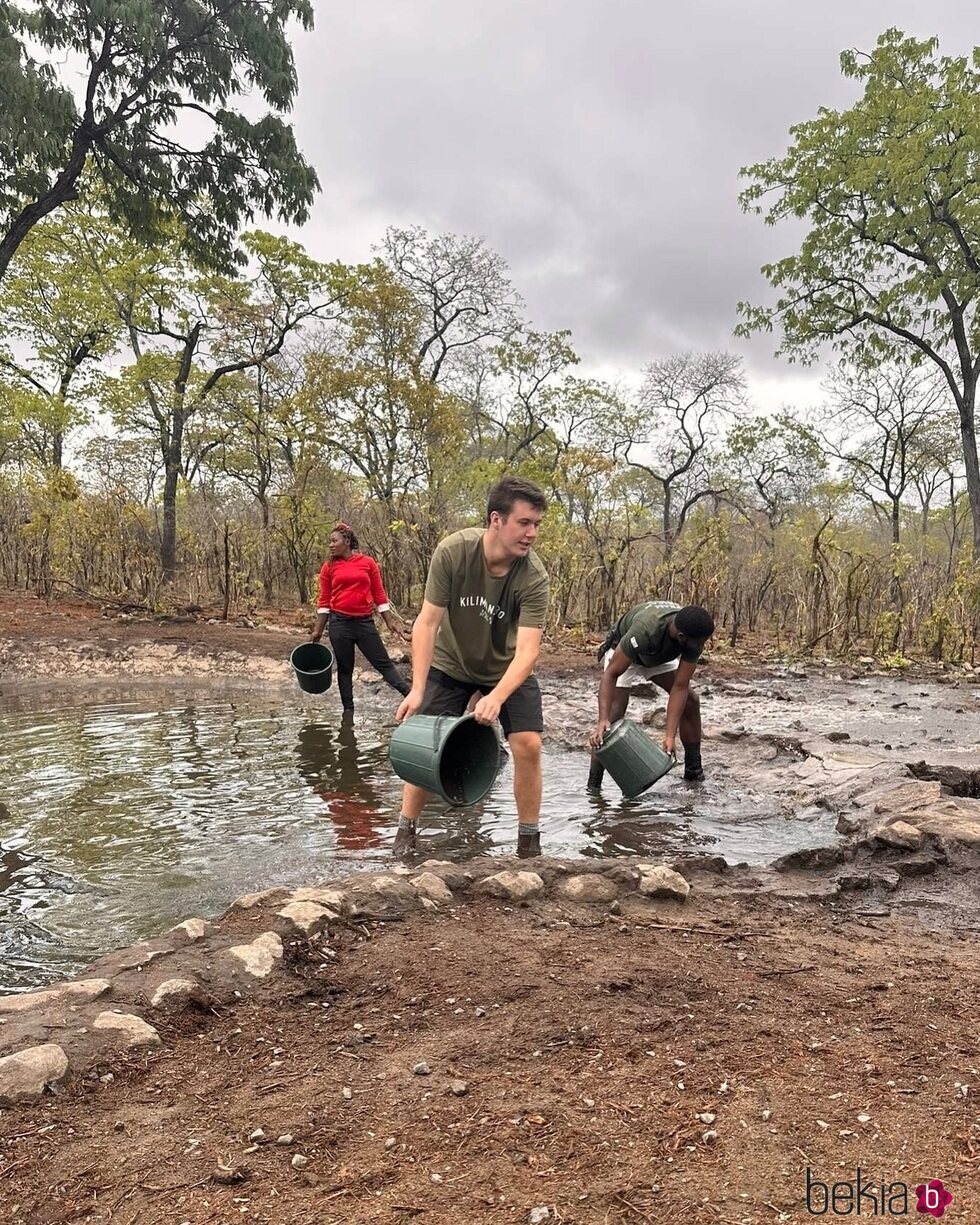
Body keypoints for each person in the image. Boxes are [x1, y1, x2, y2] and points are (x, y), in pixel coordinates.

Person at [394, 476, 549, 858]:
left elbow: (528, 652)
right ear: (496, 519)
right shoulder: (454, 553)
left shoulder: (533, 576)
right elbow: (427, 623)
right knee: (426, 741)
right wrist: (416, 689)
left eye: (536, 525)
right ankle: (405, 832)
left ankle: (529, 843)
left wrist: (496, 696)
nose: (531, 533)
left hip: (506, 666)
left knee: (528, 743)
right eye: (524, 523)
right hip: (452, 661)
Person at [587, 600, 715, 788]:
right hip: (625, 650)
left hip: (656, 655)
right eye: (699, 643)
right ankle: (594, 785)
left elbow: (680, 687)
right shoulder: (645, 629)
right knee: (612, 721)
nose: (701, 646)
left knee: (690, 701)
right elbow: (611, 674)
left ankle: (694, 773)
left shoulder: (694, 635)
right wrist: (602, 719)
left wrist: (669, 736)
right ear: (681, 637)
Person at [310, 523, 410, 712]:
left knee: (384, 664)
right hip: (339, 624)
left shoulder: (368, 563)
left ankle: (412, 698)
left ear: (346, 541)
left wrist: (390, 622)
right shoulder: (328, 566)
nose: (330, 545)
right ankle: (348, 714)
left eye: (334, 541)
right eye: (329, 542)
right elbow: (324, 601)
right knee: (345, 670)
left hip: (364, 623)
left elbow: (379, 594)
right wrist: (317, 630)